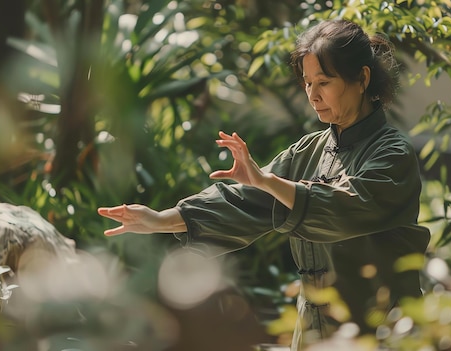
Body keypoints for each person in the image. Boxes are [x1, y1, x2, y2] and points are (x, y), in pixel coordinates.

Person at [98, 18, 430, 350]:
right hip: (314, 332)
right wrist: (159, 219)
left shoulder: (393, 154)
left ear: (362, 78)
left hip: (379, 332)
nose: (313, 95)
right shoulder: (308, 150)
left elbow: (347, 206)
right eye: (307, 82)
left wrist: (267, 181)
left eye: (324, 82)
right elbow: (246, 199)